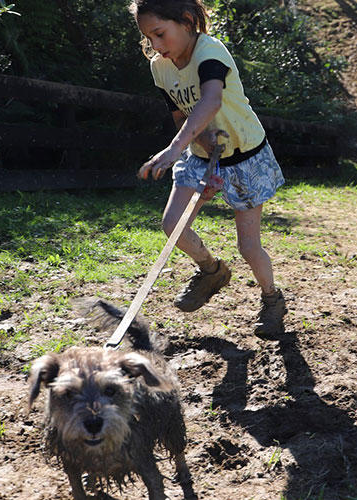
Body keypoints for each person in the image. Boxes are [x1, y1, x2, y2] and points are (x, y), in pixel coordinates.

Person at [130, 0, 287, 336]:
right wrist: (200, 148)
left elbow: (211, 100)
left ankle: (272, 298)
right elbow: (179, 116)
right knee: (172, 225)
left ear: (186, 21)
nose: (155, 46)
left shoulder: (210, 52)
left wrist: (175, 149)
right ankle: (212, 270)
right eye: (148, 38)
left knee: (248, 247)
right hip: (200, 154)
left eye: (160, 34)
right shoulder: (161, 66)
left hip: (244, 157)